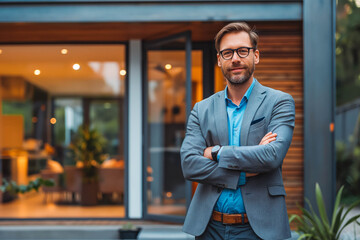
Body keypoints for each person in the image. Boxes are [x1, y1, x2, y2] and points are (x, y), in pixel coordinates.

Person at [180, 22, 295, 240]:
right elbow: (189, 164)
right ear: (219, 60)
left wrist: (215, 152)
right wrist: (243, 172)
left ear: (256, 56)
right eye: (227, 52)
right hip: (209, 228)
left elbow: (271, 156)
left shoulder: (279, 102)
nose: (235, 58)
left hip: (258, 228)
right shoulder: (201, 109)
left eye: (243, 51)